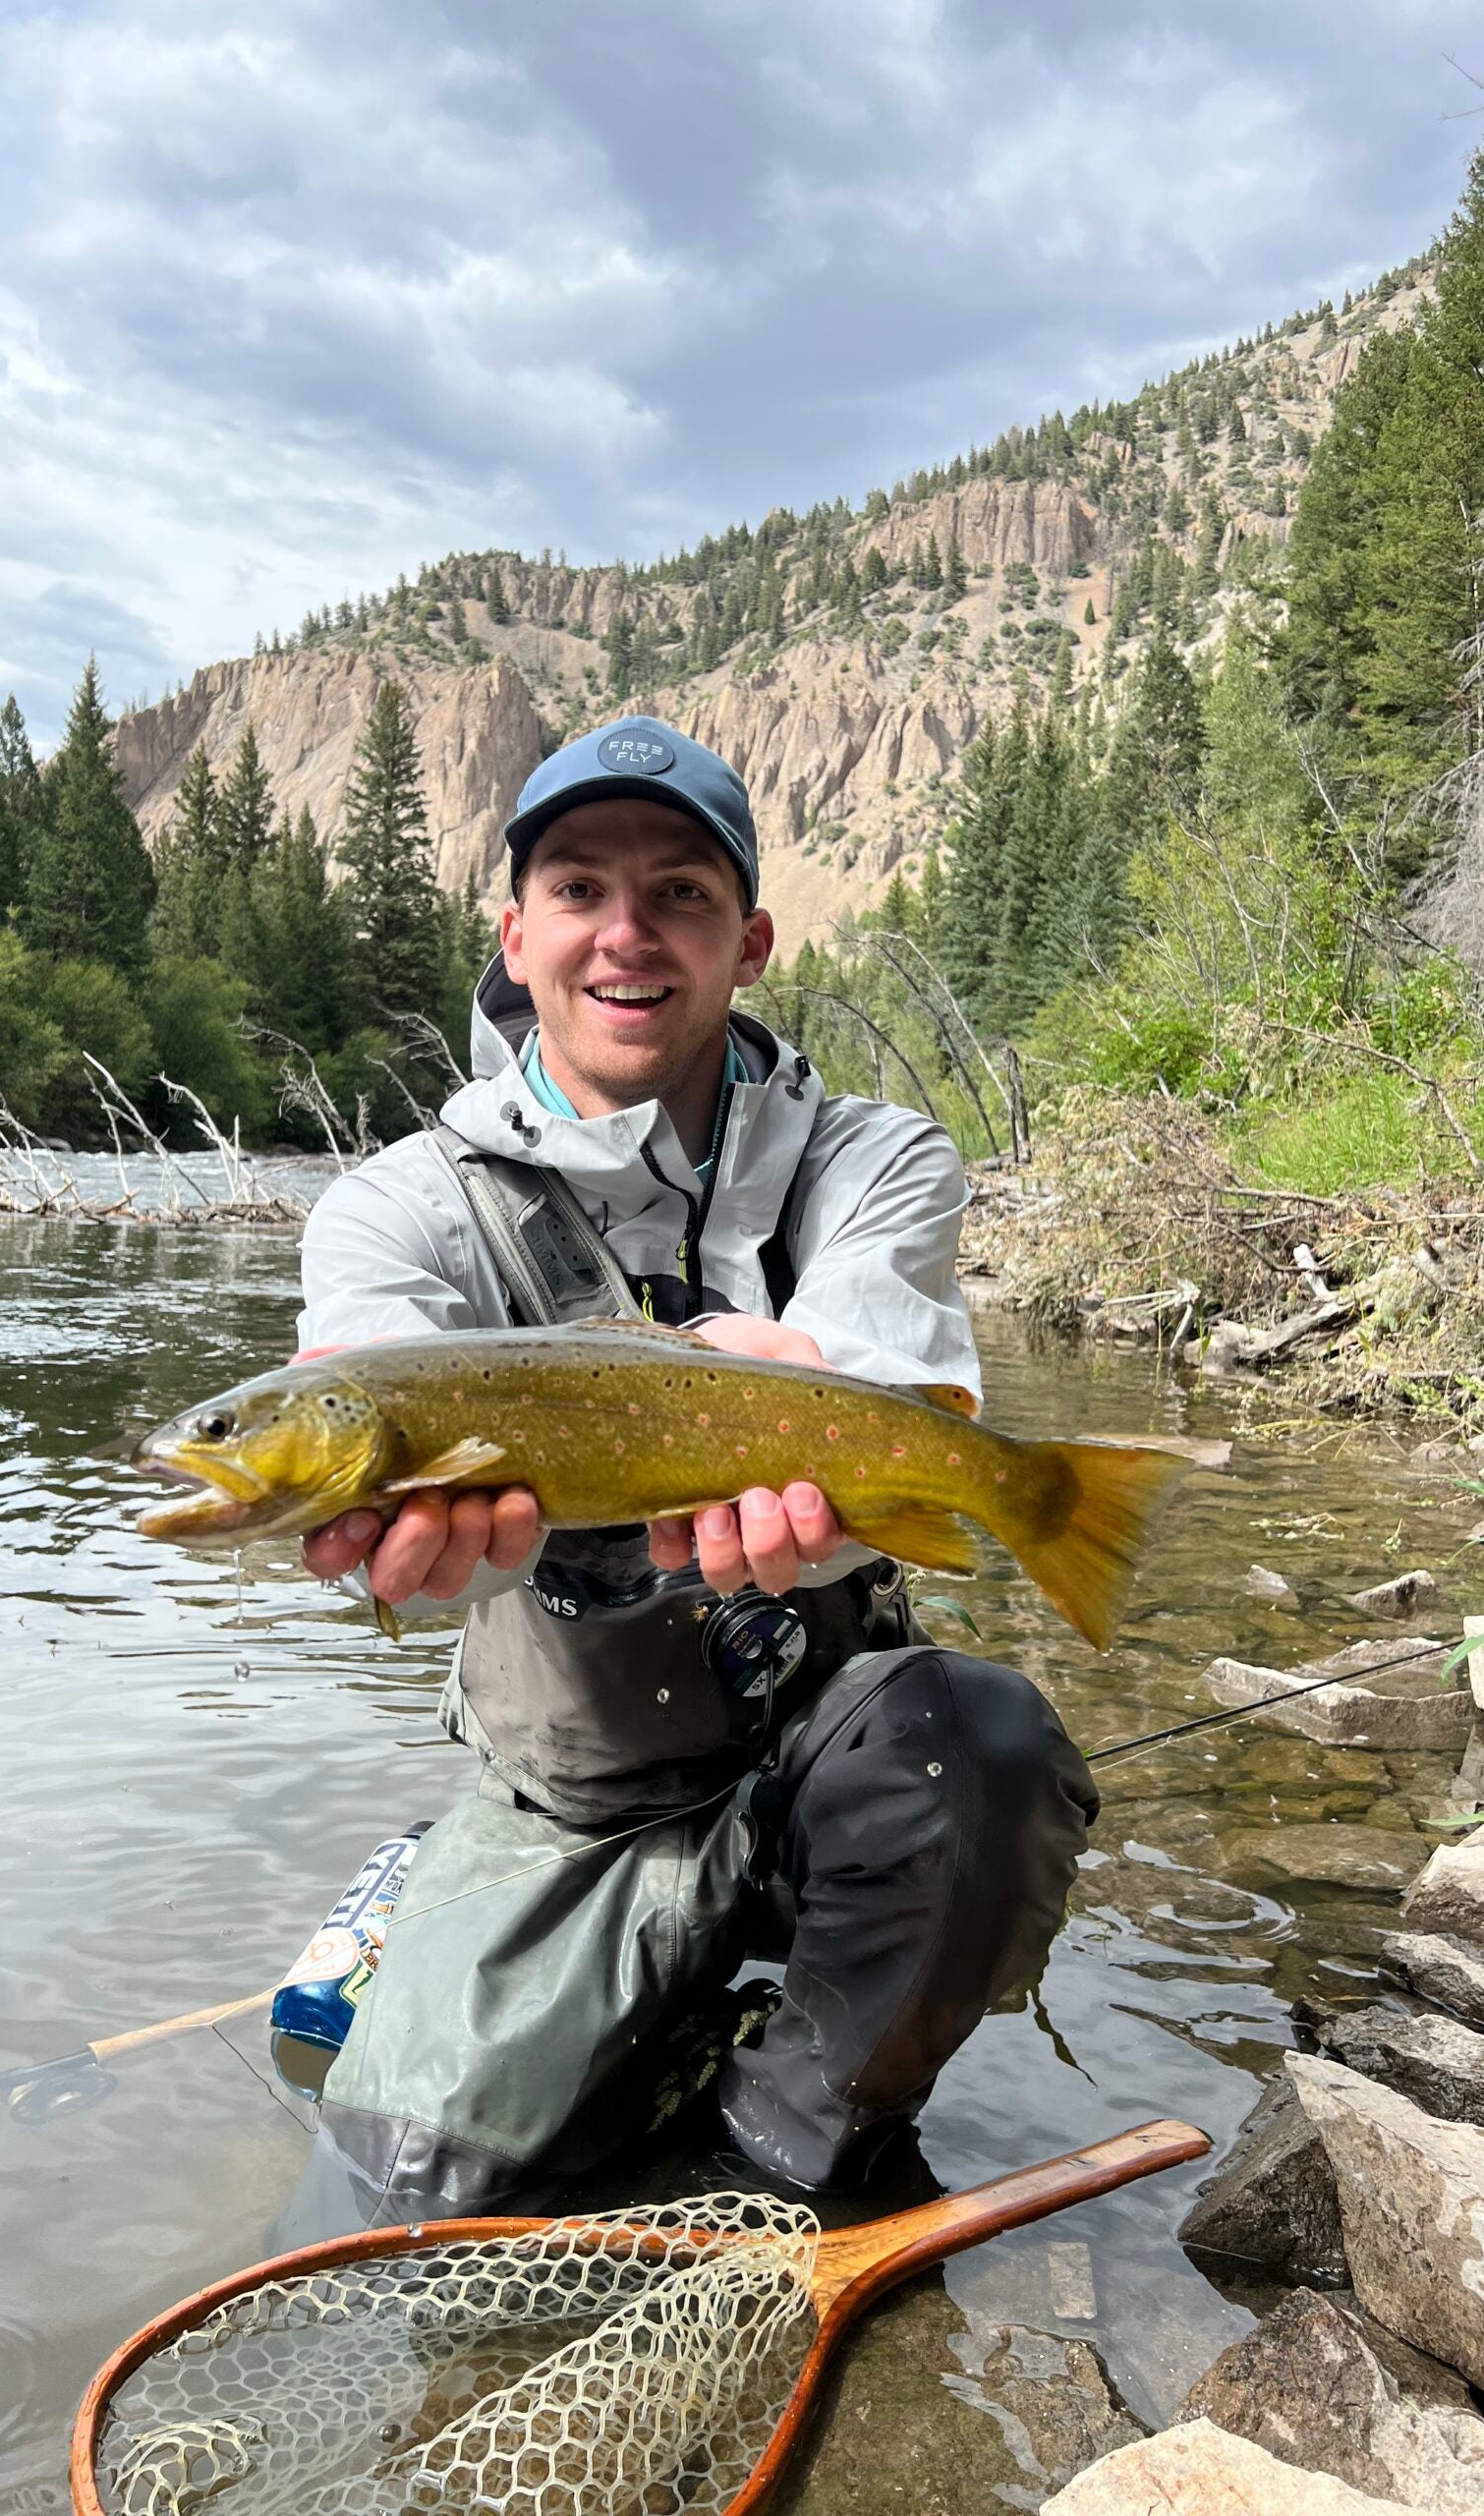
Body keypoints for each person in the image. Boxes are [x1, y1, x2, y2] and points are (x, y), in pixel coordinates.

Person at [289, 714, 1097, 2220]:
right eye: (580, 889)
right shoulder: (394, 1209)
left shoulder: (879, 1157)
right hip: (569, 1803)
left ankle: (780, 2161)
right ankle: (522, 1948)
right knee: (409, 2201)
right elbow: (367, 1368)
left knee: (976, 1744)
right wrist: (381, 1517)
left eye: (679, 893)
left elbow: (881, 1357)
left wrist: (820, 1393)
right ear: (516, 933)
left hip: (832, 1766)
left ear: (751, 942)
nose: (626, 932)